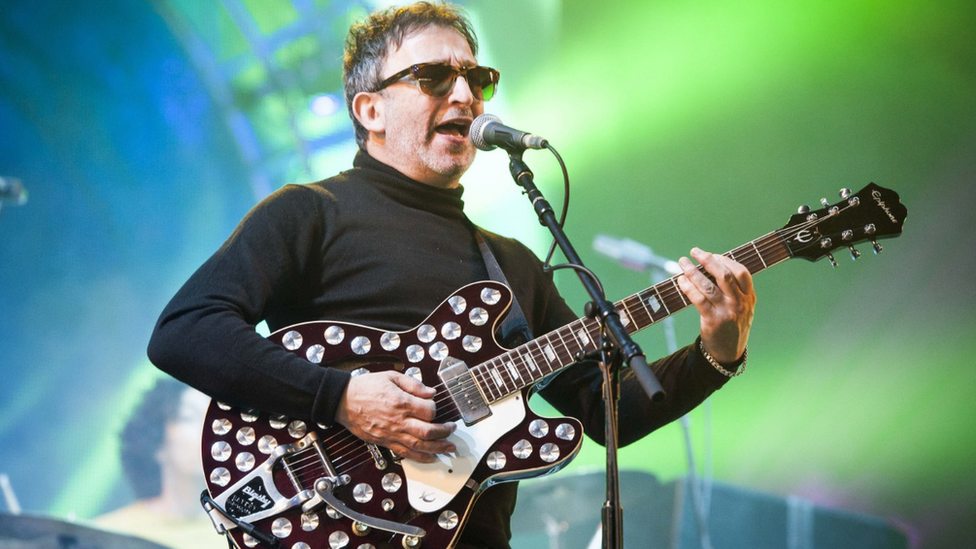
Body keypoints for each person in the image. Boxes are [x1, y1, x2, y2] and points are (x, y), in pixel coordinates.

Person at [147, 2, 756, 548]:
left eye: (477, 78)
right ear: (370, 109)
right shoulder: (310, 212)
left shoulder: (510, 262)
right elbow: (184, 331)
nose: (464, 94)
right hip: (327, 515)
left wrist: (717, 351)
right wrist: (341, 398)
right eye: (434, 77)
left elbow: (605, 412)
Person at [94, 378, 222, 549]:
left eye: (214, 421)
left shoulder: (245, 534)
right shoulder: (105, 535)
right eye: (189, 417)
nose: (207, 431)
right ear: (157, 441)